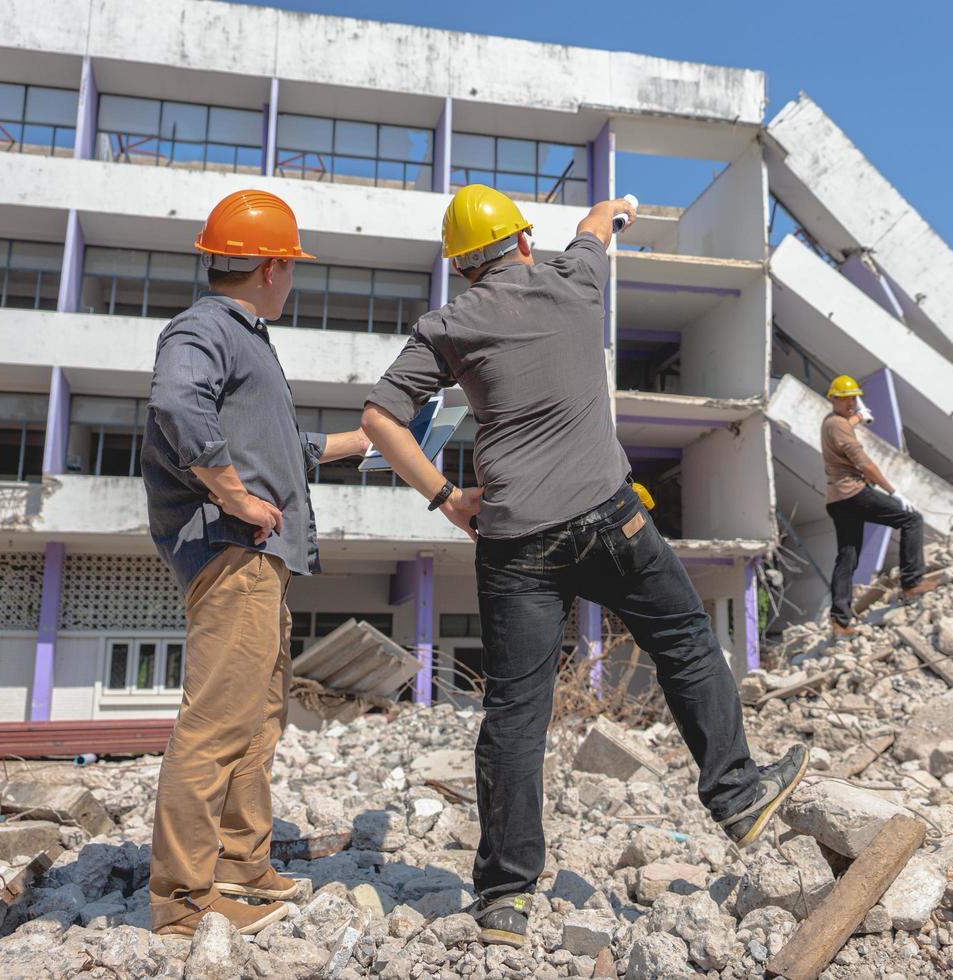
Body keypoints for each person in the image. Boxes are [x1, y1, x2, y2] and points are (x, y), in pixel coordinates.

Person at [361, 185, 808, 948]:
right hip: (611, 518)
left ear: (464, 268)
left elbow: (378, 420)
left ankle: (504, 897)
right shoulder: (575, 278)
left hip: (514, 541)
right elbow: (597, 226)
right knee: (686, 643)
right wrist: (621, 207)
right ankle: (737, 795)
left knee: (516, 713)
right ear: (523, 243)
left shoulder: (447, 327)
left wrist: (445, 498)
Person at [142, 189, 370, 936]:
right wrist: (234, 495)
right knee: (216, 724)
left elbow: (281, 451)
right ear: (271, 266)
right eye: (290, 265)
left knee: (256, 721)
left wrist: (359, 445)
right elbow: (178, 403)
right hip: (234, 552)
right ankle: (181, 901)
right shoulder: (207, 327)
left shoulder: (244, 338)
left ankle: (241, 868)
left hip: (259, 558)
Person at [820, 373, 938, 637]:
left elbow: (846, 423)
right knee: (911, 519)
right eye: (846, 399)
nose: (851, 402)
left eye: (854, 398)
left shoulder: (832, 422)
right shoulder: (839, 425)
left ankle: (840, 621)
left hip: (837, 499)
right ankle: (911, 583)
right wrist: (893, 491)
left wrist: (859, 417)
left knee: (847, 556)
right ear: (833, 399)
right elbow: (865, 464)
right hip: (853, 492)